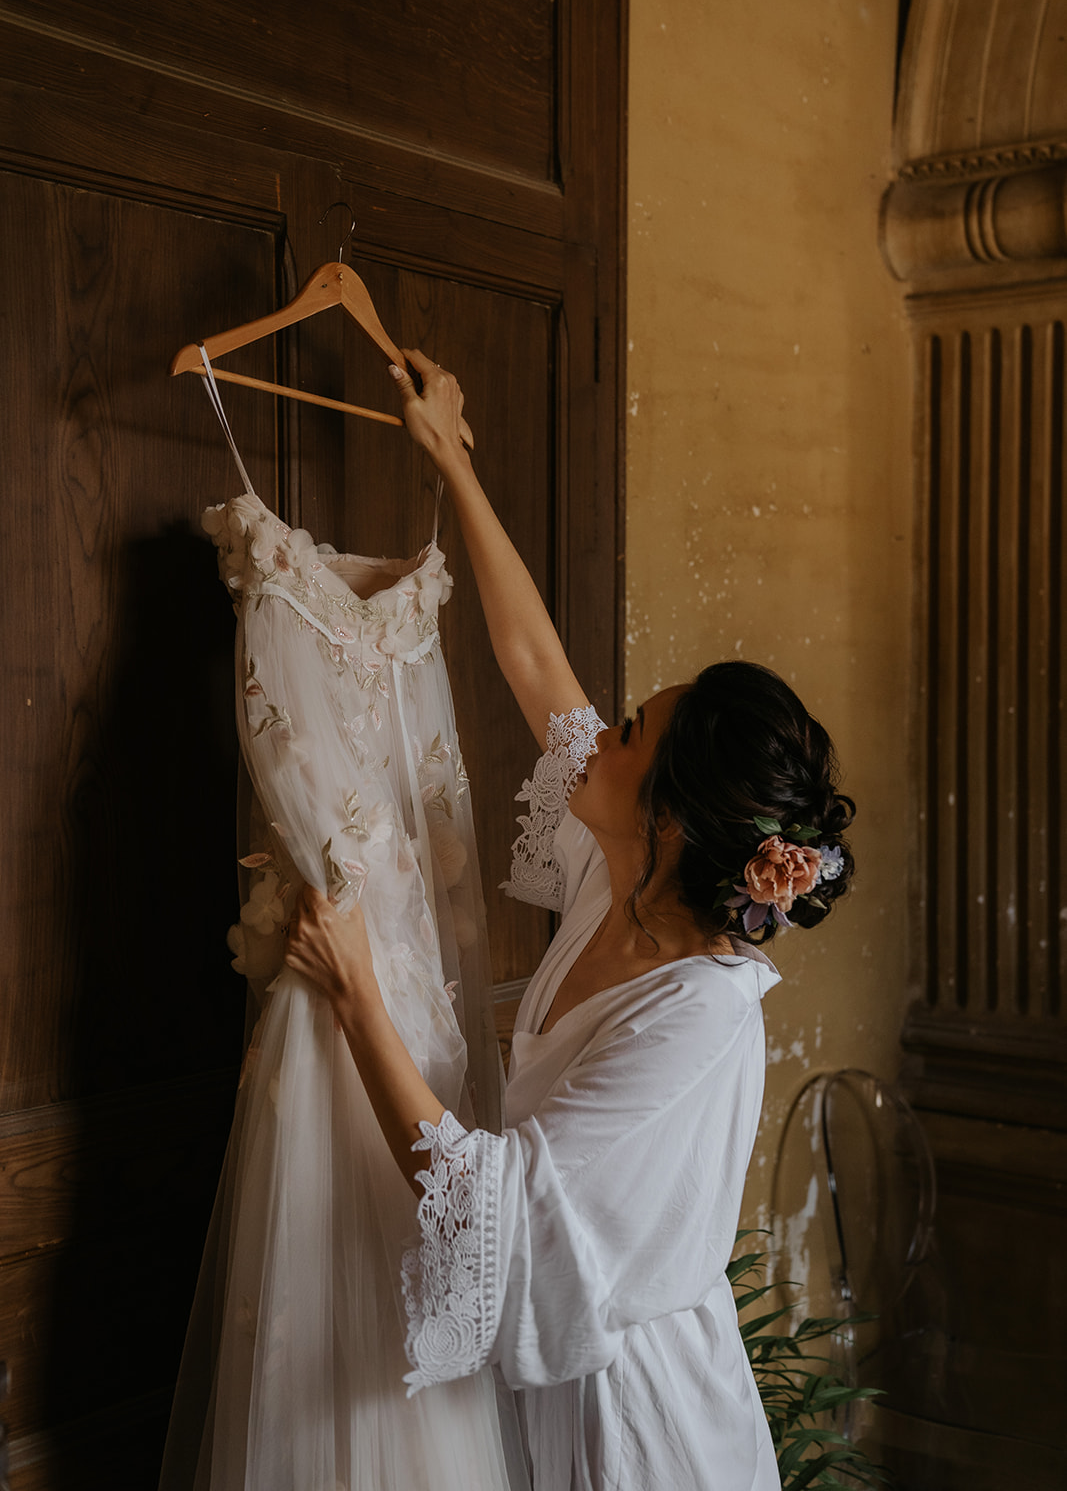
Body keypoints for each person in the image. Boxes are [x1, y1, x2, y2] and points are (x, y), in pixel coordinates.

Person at [284, 351, 855, 1491]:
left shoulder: (700, 1020)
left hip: (636, 1434)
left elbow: (496, 1211)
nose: (593, 733)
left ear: (673, 822)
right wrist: (447, 451)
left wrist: (356, 997)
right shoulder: (622, 880)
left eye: (628, 730)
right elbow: (535, 663)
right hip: (552, 1391)